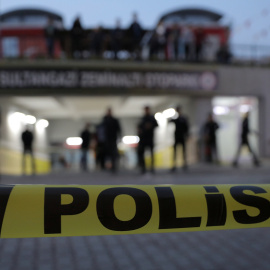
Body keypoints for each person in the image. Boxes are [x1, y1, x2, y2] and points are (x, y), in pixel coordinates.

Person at [137, 106, 158, 174]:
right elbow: (139, 127)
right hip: (143, 139)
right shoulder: (143, 118)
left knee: (151, 153)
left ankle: (152, 167)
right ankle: (144, 168)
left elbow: (156, 125)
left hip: (150, 138)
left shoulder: (152, 118)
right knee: (142, 153)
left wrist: (150, 125)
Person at [169, 106, 189, 171]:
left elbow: (186, 127)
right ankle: (174, 164)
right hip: (177, 136)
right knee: (175, 151)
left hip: (182, 136)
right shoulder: (176, 118)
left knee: (183, 151)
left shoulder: (183, 118)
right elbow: (170, 121)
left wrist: (186, 135)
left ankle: (184, 164)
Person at [103, 108, 121, 173]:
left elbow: (118, 129)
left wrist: (119, 137)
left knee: (114, 153)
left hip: (113, 139)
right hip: (107, 140)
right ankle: (108, 166)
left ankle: (114, 166)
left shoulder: (114, 120)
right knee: (108, 153)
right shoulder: (105, 120)